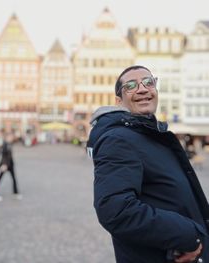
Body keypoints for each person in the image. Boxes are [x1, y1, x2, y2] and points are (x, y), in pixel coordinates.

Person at [87, 65, 209, 262]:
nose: (142, 89)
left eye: (148, 82)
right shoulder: (119, 139)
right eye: (131, 85)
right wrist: (188, 235)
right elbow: (116, 210)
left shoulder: (150, 135)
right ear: (119, 101)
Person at [0, 134, 22, 199]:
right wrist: (4, 164)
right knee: (0, 177)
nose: (11, 138)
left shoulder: (9, 144)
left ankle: (15, 192)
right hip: (6, 165)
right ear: (7, 137)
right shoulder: (5, 144)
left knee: (13, 178)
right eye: (10, 137)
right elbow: (3, 156)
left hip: (10, 164)